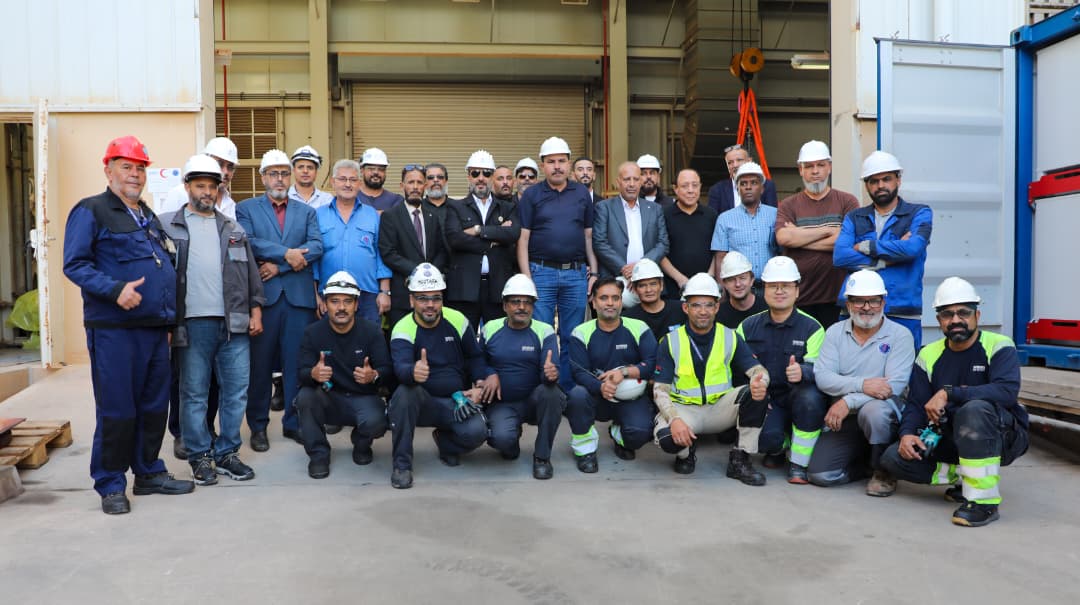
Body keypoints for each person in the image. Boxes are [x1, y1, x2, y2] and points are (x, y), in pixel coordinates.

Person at [63, 135, 195, 514]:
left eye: (139, 168)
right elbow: (75, 264)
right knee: (118, 409)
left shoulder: (147, 216)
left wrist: (169, 320)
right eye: (126, 167)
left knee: (154, 407)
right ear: (108, 171)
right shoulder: (91, 210)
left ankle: (148, 472)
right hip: (115, 332)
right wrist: (115, 289)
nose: (135, 174)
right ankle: (110, 483)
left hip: (155, 329)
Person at [881, 277, 1029, 527]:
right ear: (939, 320)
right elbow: (916, 403)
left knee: (974, 409)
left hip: (1001, 435)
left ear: (977, 315)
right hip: (948, 434)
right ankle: (966, 477)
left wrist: (949, 393)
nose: (956, 320)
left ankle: (983, 502)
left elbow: (1006, 392)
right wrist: (907, 434)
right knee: (893, 458)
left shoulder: (999, 346)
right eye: (947, 314)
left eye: (964, 313)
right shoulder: (928, 354)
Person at [161, 155, 263, 486]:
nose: (207, 192)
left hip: (233, 324)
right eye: (200, 185)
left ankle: (228, 452)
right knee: (194, 393)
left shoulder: (233, 228)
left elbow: (250, 273)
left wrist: (256, 310)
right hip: (191, 325)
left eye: (212, 186)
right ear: (187, 187)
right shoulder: (167, 226)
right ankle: (200, 456)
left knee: (236, 391)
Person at [236, 149, 323, 451]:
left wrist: (280, 265)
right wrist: (286, 253)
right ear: (263, 177)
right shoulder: (246, 208)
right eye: (273, 173)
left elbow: (316, 246)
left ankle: (294, 422)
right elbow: (248, 242)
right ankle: (258, 426)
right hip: (264, 299)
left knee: (296, 365)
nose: (280, 179)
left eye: (284, 173)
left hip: (298, 300)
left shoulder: (306, 212)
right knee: (260, 367)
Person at [652, 273, 771, 482]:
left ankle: (741, 459)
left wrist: (760, 381)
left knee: (756, 394)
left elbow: (758, 370)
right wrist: (674, 419)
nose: (703, 311)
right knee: (667, 439)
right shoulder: (670, 341)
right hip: (685, 410)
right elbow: (659, 390)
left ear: (717, 307)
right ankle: (686, 453)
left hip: (720, 409)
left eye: (709, 305)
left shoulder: (730, 336)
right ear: (685, 308)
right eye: (696, 305)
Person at [811, 270, 915, 494]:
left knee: (873, 412)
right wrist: (862, 384)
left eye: (873, 301)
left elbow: (893, 386)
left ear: (883, 302)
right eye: (859, 301)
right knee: (821, 475)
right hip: (844, 418)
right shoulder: (834, 333)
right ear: (848, 304)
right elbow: (823, 377)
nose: (867, 307)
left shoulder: (900, 335)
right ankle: (867, 465)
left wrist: (848, 401)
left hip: (882, 414)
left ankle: (884, 471)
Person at [387, 263, 490, 489]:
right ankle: (402, 465)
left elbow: (475, 356)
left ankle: (446, 444)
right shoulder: (402, 328)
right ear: (411, 300)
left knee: (478, 432)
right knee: (404, 394)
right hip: (421, 404)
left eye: (436, 298)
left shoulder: (458, 320)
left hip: (456, 401)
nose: (430, 304)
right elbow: (400, 367)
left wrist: (479, 385)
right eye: (423, 298)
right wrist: (412, 372)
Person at [516, 136, 599, 392]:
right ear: (542, 165)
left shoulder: (581, 193)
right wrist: (527, 278)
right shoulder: (531, 195)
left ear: (569, 163)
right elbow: (523, 239)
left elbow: (588, 236)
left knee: (572, 335)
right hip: (541, 273)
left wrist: (594, 272)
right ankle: (544, 389)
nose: (557, 166)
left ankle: (568, 391)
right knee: (542, 333)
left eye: (562, 161)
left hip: (575, 274)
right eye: (551, 162)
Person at [736, 256, 827, 483]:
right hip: (767, 398)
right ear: (764, 290)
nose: (779, 291)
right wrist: (754, 395)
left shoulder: (813, 328)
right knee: (766, 441)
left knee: (810, 398)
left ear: (797, 290)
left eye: (786, 286)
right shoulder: (747, 327)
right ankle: (779, 445)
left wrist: (804, 372)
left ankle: (799, 464)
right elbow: (736, 368)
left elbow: (822, 370)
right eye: (773, 286)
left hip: (799, 396)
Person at [295, 271, 392, 479]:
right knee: (305, 397)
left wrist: (373, 375)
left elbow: (387, 371)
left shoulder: (372, 331)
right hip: (329, 399)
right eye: (335, 301)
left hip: (362, 397)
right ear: (325, 304)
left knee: (377, 421)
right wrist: (313, 373)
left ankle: (362, 442)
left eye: (348, 301)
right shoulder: (312, 333)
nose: (341, 307)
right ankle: (319, 455)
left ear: (356, 305)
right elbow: (301, 374)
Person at [834, 151, 932, 348]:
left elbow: (913, 248)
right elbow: (840, 256)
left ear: (898, 180)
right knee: (852, 365)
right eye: (874, 181)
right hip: (855, 311)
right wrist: (888, 259)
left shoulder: (919, 213)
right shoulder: (854, 217)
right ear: (866, 185)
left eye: (886, 179)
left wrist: (867, 246)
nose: (880, 185)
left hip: (901, 310)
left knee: (903, 367)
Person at [478, 275, 566, 480]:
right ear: (504, 305)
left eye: (527, 302)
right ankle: (511, 438)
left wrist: (551, 374)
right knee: (502, 441)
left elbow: (551, 369)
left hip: (533, 402)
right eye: (515, 301)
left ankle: (542, 457)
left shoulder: (544, 331)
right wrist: (489, 373)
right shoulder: (490, 328)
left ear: (533, 306)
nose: (522, 307)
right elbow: (477, 362)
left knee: (552, 394)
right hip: (502, 403)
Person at [565, 278, 658, 473]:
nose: (610, 303)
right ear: (594, 302)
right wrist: (601, 387)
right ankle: (585, 451)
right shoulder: (581, 332)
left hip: (631, 397)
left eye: (615, 298)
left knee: (640, 434)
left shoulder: (639, 327)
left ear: (621, 302)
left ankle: (619, 434)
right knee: (577, 395)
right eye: (604, 298)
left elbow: (652, 364)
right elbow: (579, 372)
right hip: (597, 396)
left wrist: (624, 372)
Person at [775, 140, 860, 327]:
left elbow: (848, 242)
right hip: (801, 298)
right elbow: (783, 237)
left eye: (820, 165)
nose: (815, 171)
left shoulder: (847, 201)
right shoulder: (788, 205)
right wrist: (829, 230)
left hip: (840, 299)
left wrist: (799, 237)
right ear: (800, 170)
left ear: (829, 167)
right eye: (809, 166)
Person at [445, 150, 521, 330]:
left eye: (486, 173)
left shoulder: (507, 208)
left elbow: (512, 234)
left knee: (496, 338)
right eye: (475, 173)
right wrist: (495, 238)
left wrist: (478, 230)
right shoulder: (455, 206)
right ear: (468, 176)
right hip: (465, 288)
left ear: (492, 177)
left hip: (497, 288)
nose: (481, 178)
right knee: (463, 338)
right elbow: (455, 239)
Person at [313, 159, 391, 324]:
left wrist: (385, 292)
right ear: (333, 182)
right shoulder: (318, 215)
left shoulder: (372, 215)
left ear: (359, 184)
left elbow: (381, 254)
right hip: (329, 294)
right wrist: (315, 295)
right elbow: (313, 260)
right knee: (332, 339)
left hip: (367, 295)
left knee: (369, 339)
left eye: (353, 180)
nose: (348, 184)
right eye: (342, 179)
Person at [379, 164, 450, 326]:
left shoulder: (432, 216)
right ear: (402, 185)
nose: (415, 187)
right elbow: (388, 253)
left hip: (431, 296)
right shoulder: (390, 216)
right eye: (411, 182)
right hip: (403, 295)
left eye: (419, 182)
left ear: (425, 186)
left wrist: (431, 272)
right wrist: (418, 271)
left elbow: (441, 250)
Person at [592, 161, 670, 280]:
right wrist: (623, 268)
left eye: (636, 179)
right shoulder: (604, 207)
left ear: (641, 182)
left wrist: (641, 266)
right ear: (618, 182)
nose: (632, 184)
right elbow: (599, 243)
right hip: (615, 279)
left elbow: (663, 244)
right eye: (627, 179)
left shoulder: (655, 209)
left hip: (647, 277)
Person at [711, 162, 778, 283]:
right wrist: (722, 291)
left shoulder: (776, 215)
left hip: (771, 285)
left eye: (754, 183)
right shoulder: (725, 219)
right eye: (743, 183)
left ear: (762, 189)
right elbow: (720, 258)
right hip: (738, 287)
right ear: (737, 189)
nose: (748, 187)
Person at [659, 168, 718, 300]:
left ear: (700, 187)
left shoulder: (711, 215)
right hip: (674, 288)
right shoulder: (664, 215)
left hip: (706, 287)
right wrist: (679, 278)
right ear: (675, 189)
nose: (690, 190)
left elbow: (718, 251)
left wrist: (709, 276)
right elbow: (660, 252)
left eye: (695, 185)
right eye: (685, 186)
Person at [157, 137, 239, 219]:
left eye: (230, 167)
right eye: (220, 164)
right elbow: (163, 224)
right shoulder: (179, 193)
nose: (225, 172)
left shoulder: (230, 204)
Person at [622, 258, 686, 340]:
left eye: (653, 284)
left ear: (661, 285)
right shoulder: (628, 318)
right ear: (635, 289)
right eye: (642, 285)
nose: (648, 290)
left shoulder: (681, 310)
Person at [706, 144, 778, 214]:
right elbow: (713, 218)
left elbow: (772, 215)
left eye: (739, 160)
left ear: (749, 161)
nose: (735, 165)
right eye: (730, 162)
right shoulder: (717, 189)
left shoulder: (766, 185)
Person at [714, 251, 767, 329]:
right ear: (724, 284)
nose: (738, 284)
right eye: (731, 280)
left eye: (742, 278)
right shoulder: (718, 315)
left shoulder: (767, 310)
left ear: (752, 280)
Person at [357, 147, 404, 212]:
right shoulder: (351, 198)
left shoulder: (396, 200)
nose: (376, 172)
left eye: (381, 169)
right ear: (362, 170)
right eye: (371, 168)